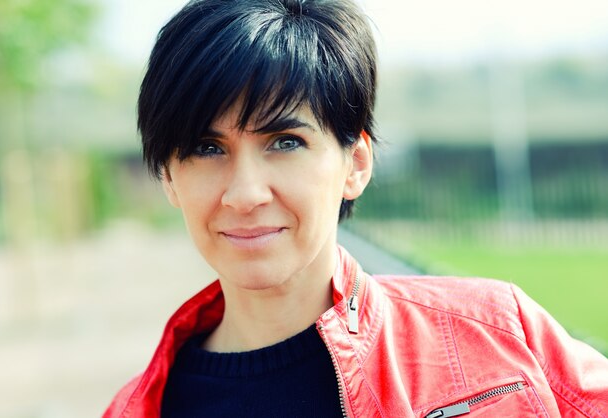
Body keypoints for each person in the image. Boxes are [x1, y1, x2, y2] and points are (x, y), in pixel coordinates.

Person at [104, 0, 608, 416]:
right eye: (207, 149)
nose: (246, 193)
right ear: (168, 177)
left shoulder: (498, 335)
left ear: (356, 164)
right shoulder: (139, 408)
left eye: (284, 141)